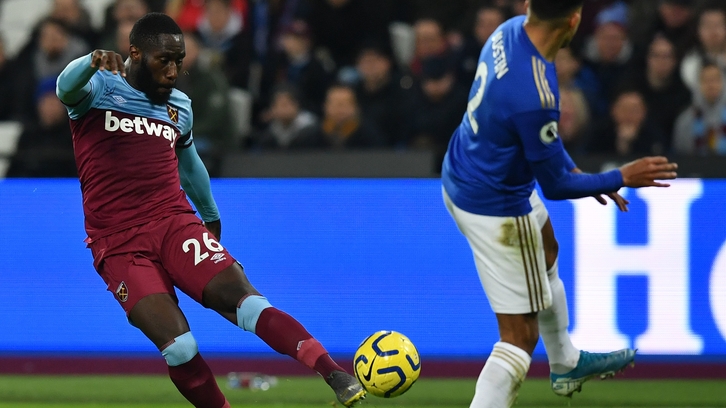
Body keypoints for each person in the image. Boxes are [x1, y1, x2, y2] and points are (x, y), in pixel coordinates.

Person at [54, 13, 365, 408]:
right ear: (134, 53)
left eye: (178, 62)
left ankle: (333, 372)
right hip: (118, 243)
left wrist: (211, 214)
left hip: (174, 224)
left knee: (249, 303)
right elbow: (65, 87)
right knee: (180, 347)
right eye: (163, 60)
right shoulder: (97, 88)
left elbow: (190, 162)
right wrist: (91, 60)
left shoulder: (179, 106)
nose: (172, 72)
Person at [440, 1, 678, 407]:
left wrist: (581, 175)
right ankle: (551, 367)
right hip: (496, 203)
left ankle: (565, 362)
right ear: (574, 20)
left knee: (547, 247)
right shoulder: (536, 93)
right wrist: (621, 175)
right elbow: (555, 185)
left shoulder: (510, 31)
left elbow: (537, 145)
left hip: (468, 169)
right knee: (519, 338)